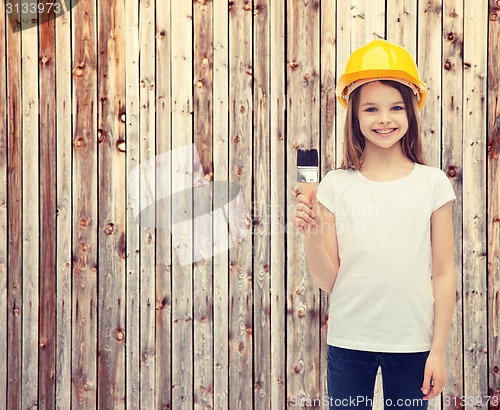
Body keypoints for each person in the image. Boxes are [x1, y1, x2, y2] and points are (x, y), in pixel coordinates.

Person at [293, 39, 456, 409]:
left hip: (414, 345)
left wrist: (439, 351)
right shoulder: (335, 185)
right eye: (371, 109)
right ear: (355, 115)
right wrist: (312, 233)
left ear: (412, 111)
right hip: (350, 342)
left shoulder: (432, 184)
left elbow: (444, 273)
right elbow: (330, 280)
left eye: (396, 107)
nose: (384, 118)